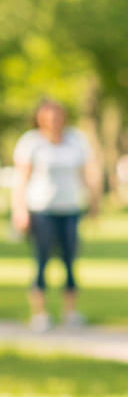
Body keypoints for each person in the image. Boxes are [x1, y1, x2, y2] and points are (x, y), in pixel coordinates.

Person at [11, 98, 100, 332]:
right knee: (41, 260)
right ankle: (40, 313)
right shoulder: (31, 143)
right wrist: (19, 210)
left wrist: (93, 200)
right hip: (41, 209)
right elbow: (21, 180)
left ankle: (70, 312)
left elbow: (85, 173)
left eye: (57, 116)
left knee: (70, 259)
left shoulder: (76, 140)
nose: (53, 121)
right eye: (48, 117)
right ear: (40, 119)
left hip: (70, 208)